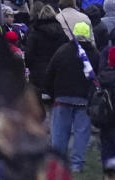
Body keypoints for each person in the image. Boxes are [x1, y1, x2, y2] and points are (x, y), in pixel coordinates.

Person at [46, 22, 99, 173]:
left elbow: (50, 73)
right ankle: (77, 164)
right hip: (84, 99)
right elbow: (98, 76)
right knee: (82, 133)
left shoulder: (62, 51)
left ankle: (58, 162)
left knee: (59, 132)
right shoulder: (94, 54)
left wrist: (53, 93)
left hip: (62, 97)